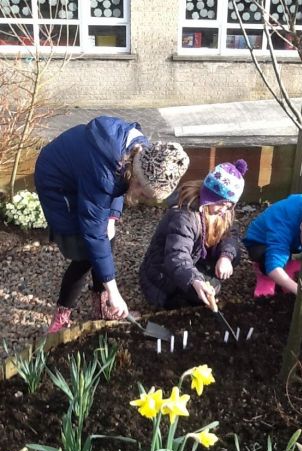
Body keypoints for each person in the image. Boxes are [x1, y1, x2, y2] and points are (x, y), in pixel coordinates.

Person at [35, 115, 190, 333]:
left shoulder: (141, 152)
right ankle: (61, 316)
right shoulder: (106, 173)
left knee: (108, 239)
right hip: (59, 183)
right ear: (136, 177)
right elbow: (94, 229)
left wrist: (112, 216)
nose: (142, 198)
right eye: (144, 193)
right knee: (84, 255)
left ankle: (102, 305)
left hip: (89, 176)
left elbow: (120, 181)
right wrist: (116, 293)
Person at [139, 159, 248, 309]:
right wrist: (195, 281)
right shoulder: (185, 216)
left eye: (229, 206)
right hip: (163, 274)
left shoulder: (223, 211)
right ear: (210, 196)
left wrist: (225, 257)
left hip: (194, 258)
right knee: (199, 294)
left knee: (233, 255)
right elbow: (176, 256)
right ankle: (182, 293)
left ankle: (203, 281)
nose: (224, 210)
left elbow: (231, 234)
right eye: (221, 204)